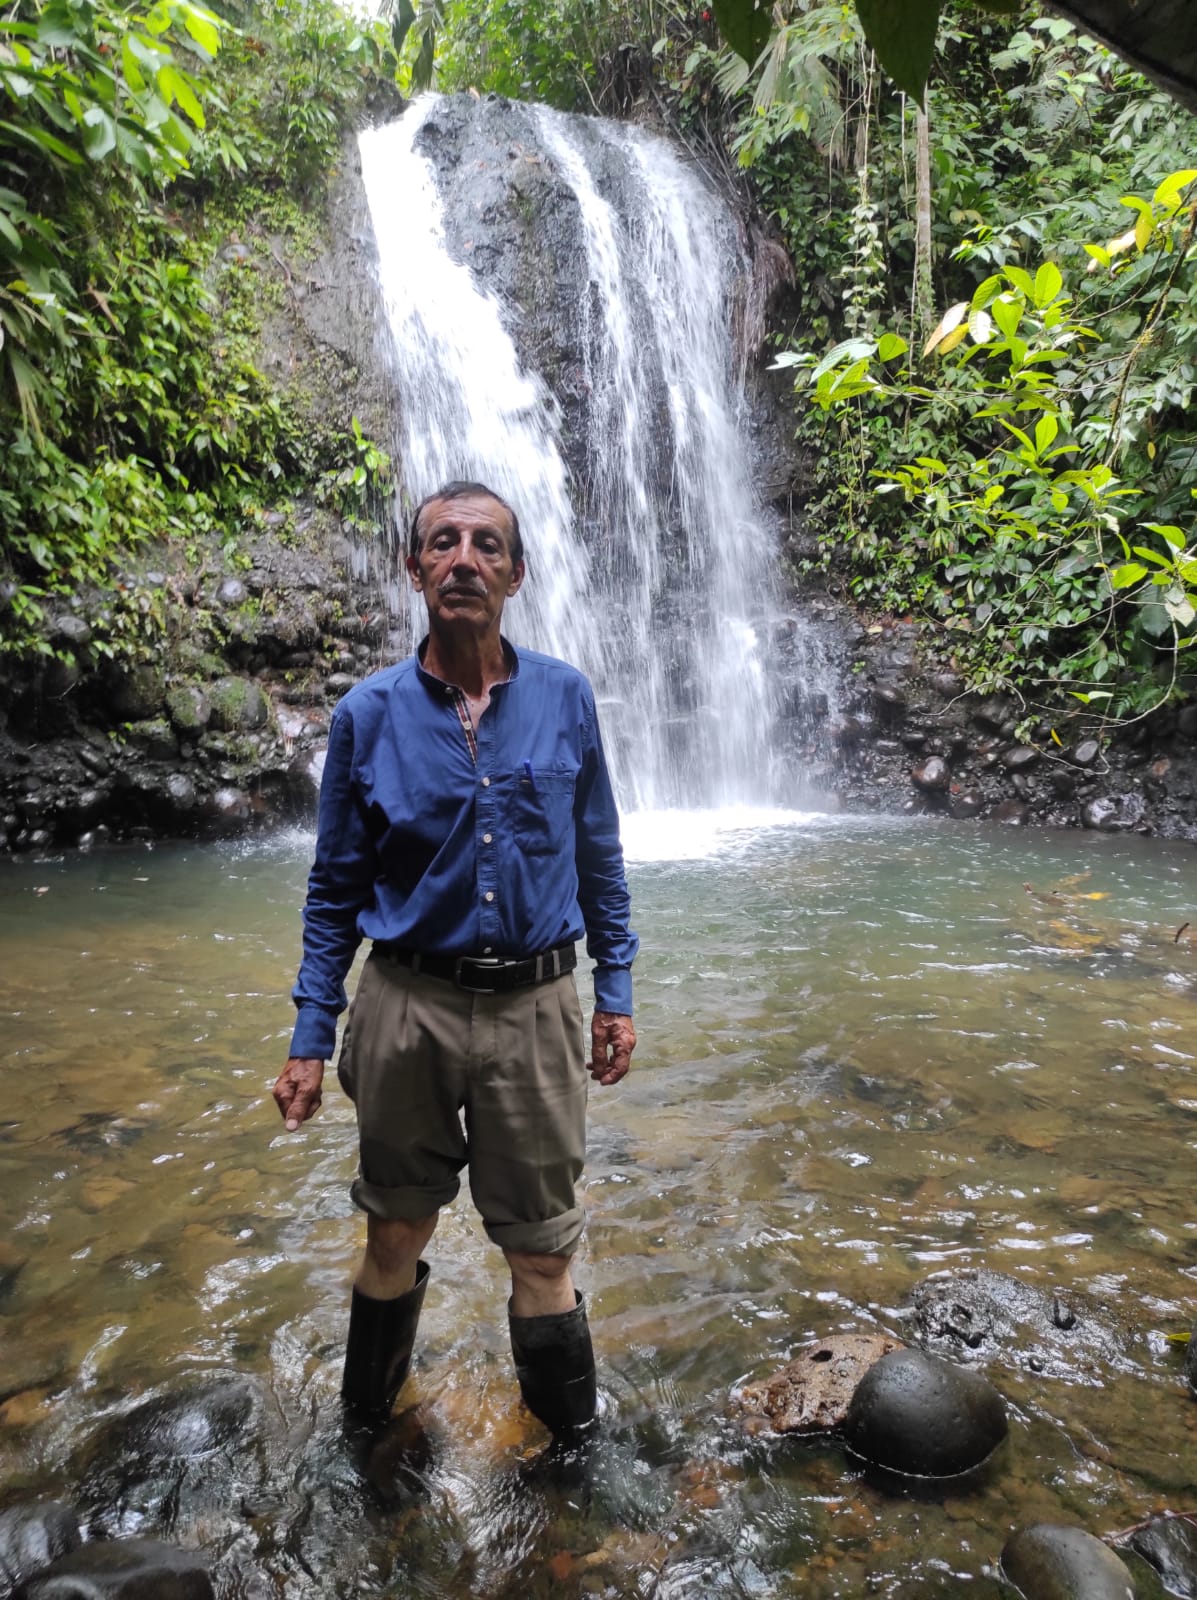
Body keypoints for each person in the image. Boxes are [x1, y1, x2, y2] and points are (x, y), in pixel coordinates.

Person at [272, 479, 638, 1442]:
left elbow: (598, 856)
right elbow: (333, 891)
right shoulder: (366, 715)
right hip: (405, 1005)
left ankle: (569, 1454)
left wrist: (615, 991)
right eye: (443, 543)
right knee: (394, 1228)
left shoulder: (565, 697)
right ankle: (366, 1433)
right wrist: (310, 1037)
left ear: (516, 574)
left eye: (486, 545)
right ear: (414, 569)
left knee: (543, 1251)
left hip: (537, 1008)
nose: (463, 560)